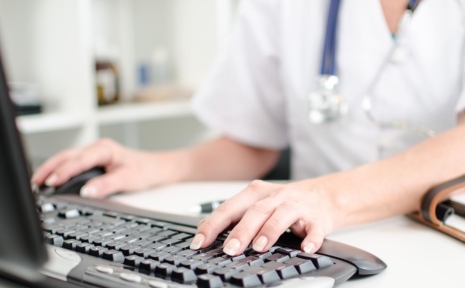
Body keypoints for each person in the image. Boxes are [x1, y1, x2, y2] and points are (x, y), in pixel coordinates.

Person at [33, 0, 465, 257]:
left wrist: (326, 197)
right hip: (313, 244)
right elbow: (253, 140)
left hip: (446, 242)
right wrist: (157, 166)